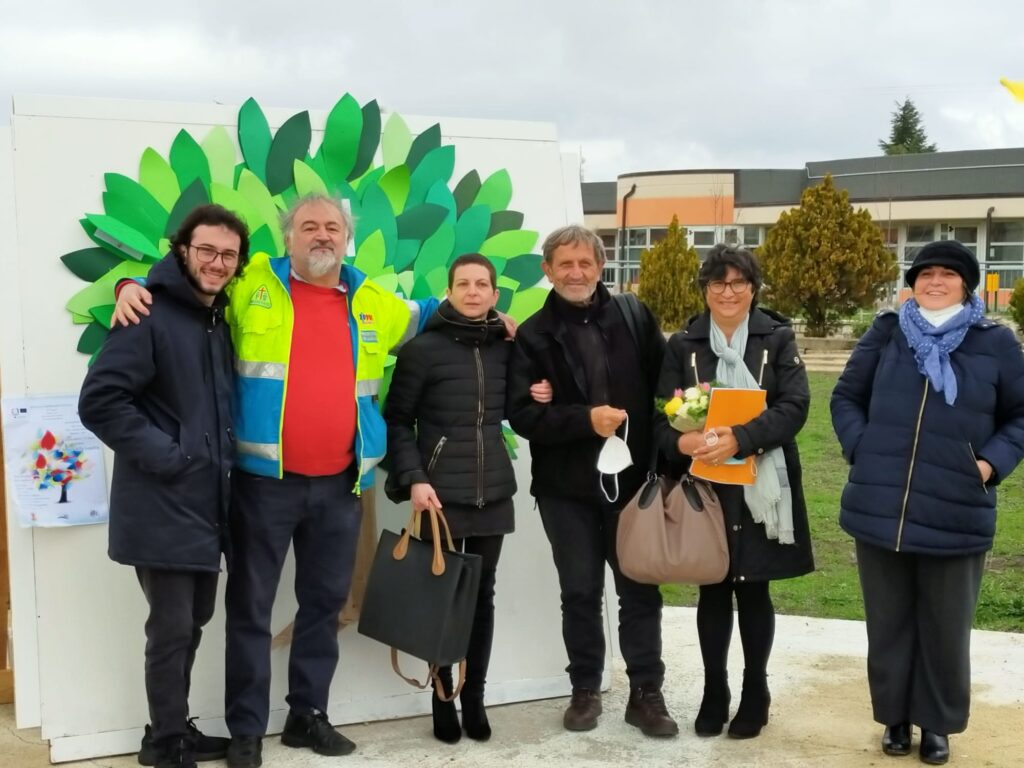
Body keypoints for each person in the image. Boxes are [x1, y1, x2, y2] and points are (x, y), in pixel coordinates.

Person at [114, 194, 440, 768]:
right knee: (250, 609)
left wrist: (499, 317)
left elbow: (429, 311)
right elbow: (191, 285)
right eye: (308, 226)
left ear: (346, 239)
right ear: (287, 237)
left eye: (332, 227)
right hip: (262, 486)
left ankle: (307, 716)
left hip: (341, 487)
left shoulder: (371, 301)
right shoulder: (250, 287)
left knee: (323, 606)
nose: (321, 235)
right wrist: (131, 285)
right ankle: (245, 729)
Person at [831, 240, 1024, 766]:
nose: (935, 282)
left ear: (967, 283)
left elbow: (1019, 417)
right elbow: (846, 396)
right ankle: (894, 715)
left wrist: (986, 465)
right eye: (925, 274)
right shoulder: (888, 332)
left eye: (948, 274)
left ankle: (937, 724)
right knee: (889, 622)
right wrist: (861, 447)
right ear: (911, 283)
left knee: (945, 625)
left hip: (955, 507)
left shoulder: (995, 343)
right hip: (881, 506)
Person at [80, 204, 249, 768]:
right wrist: (170, 457)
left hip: (205, 506)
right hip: (163, 502)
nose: (217, 263)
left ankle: (172, 727)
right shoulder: (148, 314)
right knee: (172, 627)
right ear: (182, 250)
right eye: (206, 250)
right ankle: (165, 744)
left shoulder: (214, 320)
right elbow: (100, 400)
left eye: (228, 254)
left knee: (191, 621)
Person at [506, 225, 678, 738]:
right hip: (566, 490)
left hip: (632, 485)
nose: (575, 273)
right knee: (579, 592)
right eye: (565, 264)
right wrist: (584, 420)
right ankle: (585, 688)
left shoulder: (633, 315)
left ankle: (646, 692)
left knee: (640, 591)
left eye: (585, 263)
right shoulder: (534, 335)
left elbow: (665, 386)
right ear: (548, 270)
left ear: (600, 267)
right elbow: (521, 416)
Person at [383, 253, 551, 744]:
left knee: (482, 597)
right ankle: (442, 699)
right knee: (443, 598)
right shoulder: (423, 350)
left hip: (493, 491)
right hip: (439, 492)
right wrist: (413, 477)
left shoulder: (508, 347)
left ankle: (474, 696)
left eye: (483, 285)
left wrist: (542, 389)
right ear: (449, 291)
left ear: (495, 295)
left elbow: (527, 397)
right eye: (464, 284)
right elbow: (398, 421)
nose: (474, 292)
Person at [654, 244, 814, 740]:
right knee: (714, 587)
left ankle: (755, 689)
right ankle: (714, 690)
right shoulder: (683, 344)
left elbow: (796, 407)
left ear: (753, 288)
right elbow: (659, 415)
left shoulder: (777, 338)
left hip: (763, 484)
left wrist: (741, 439)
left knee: (754, 587)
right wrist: (685, 439)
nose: (728, 292)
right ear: (705, 289)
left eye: (738, 282)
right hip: (707, 485)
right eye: (718, 283)